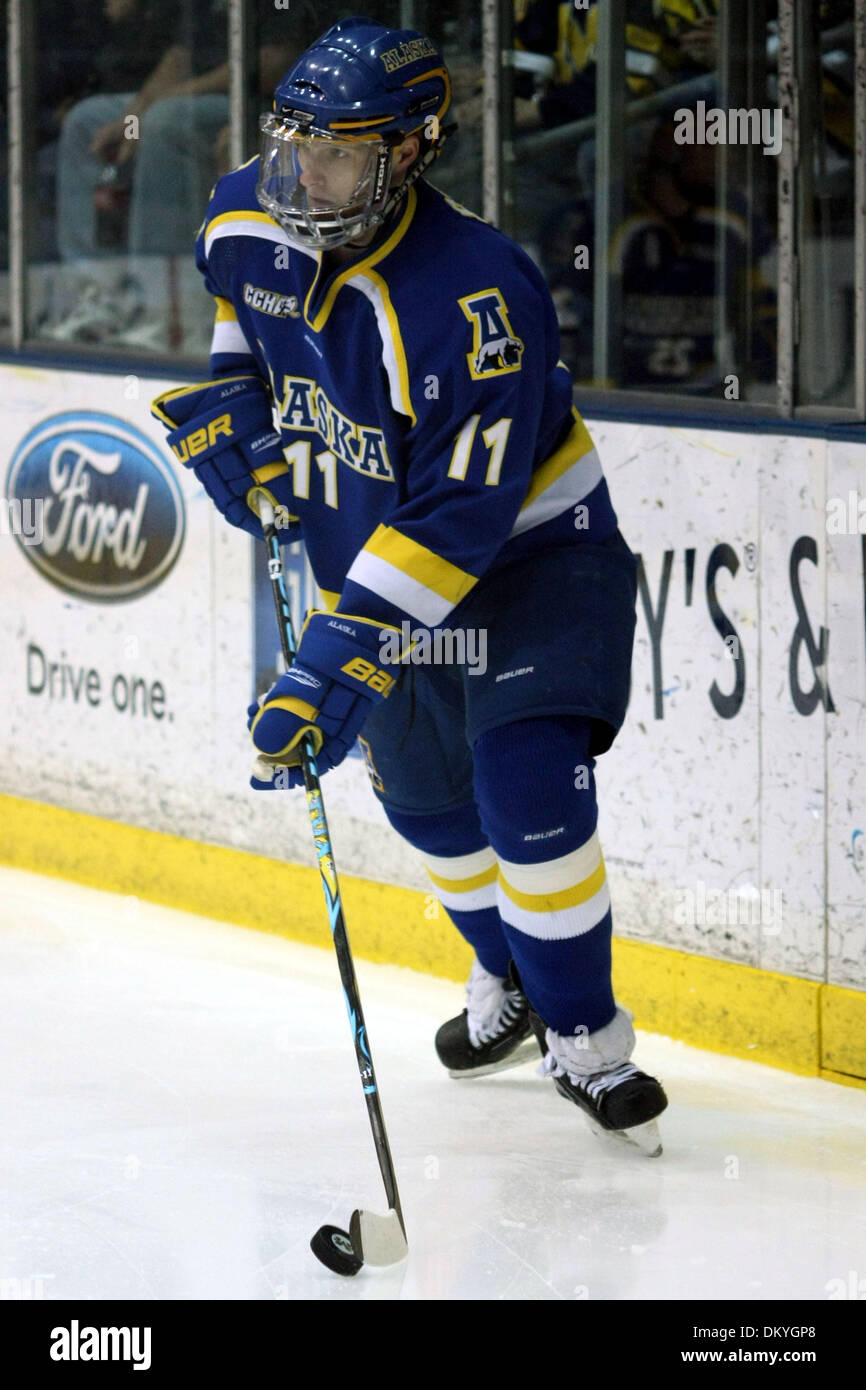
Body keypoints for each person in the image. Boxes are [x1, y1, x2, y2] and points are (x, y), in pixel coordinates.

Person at [151, 15, 668, 1155]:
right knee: (430, 810)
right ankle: (508, 978)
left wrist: (340, 651)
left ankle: (584, 1041)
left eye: (336, 154)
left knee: (524, 782)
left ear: (408, 150)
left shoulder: (477, 296)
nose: (304, 175)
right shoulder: (249, 208)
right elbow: (244, 311)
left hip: (529, 555)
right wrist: (237, 403)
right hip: (370, 550)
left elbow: (461, 514)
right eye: (294, 145)